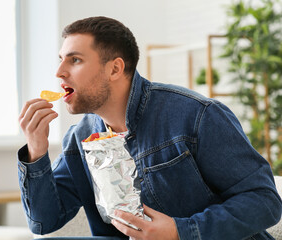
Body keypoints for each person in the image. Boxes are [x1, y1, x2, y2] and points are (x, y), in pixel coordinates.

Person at [17, 16, 282, 240]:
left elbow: (265, 202)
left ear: (115, 68)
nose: (59, 71)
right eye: (61, 59)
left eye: (74, 60)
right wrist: (36, 152)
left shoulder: (196, 115)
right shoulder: (80, 138)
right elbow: (43, 222)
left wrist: (180, 232)